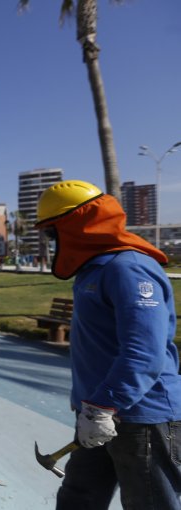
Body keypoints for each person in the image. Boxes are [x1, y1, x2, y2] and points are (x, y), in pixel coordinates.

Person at [34, 180, 181, 509]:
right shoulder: (94, 271)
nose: (50, 241)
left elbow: (144, 352)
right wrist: (91, 409)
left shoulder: (128, 269)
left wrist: (103, 406)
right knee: (79, 497)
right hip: (96, 412)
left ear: (75, 225)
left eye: (51, 232)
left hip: (142, 417)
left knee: (151, 503)